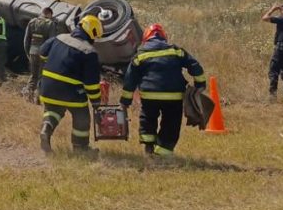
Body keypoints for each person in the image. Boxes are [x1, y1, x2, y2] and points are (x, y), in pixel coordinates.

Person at [119, 24, 206, 157]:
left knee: (148, 118)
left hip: (149, 95)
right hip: (174, 96)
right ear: (164, 37)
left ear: (146, 39)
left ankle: (149, 148)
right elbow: (195, 66)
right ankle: (163, 152)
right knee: (171, 123)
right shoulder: (176, 51)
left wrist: (125, 101)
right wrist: (200, 86)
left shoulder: (140, 55)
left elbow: (130, 80)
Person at [38, 14, 105, 156]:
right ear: (91, 33)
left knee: (53, 110)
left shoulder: (59, 37)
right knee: (82, 115)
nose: (94, 41)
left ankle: (46, 129)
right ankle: (81, 149)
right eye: (95, 37)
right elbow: (91, 85)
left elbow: (42, 53)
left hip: (47, 87)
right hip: (70, 91)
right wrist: (96, 103)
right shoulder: (89, 52)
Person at [23, 7, 58, 101]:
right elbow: (52, 42)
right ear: (50, 14)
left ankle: (28, 97)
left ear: (42, 13)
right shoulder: (51, 24)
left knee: (33, 75)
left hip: (32, 52)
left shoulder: (32, 22)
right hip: (44, 54)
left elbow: (26, 40)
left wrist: (28, 53)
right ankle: (37, 99)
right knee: (41, 76)